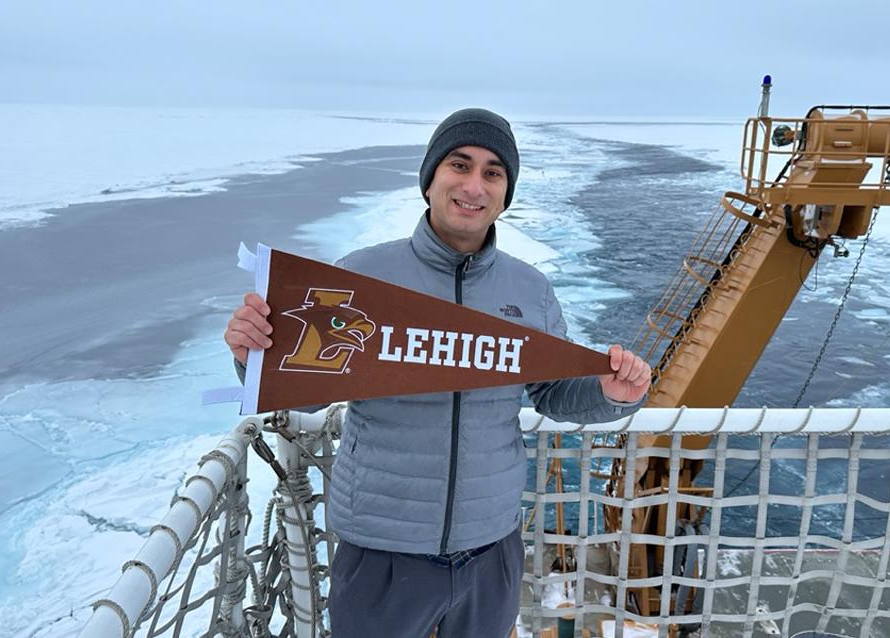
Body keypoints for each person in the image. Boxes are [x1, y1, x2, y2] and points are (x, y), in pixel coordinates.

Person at [223, 108, 652, 638]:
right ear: (430, 179)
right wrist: (252, 354)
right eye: (460, 164)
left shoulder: (530, 290)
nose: (474, 185)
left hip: (490, 547)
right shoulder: (363, 273)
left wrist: (611, 393)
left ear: (505, 193)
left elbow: (552, 394)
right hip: (382, 549)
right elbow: (307, 391)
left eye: (493, 173)